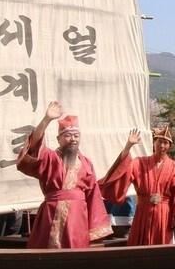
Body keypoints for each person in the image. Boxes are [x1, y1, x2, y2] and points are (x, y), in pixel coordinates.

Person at [15, 100, 112, 249]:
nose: (73, 139)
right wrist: (46, 120)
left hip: (77, 219)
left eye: (76, 136)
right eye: (68, 135)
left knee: (77, 258)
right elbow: (34, 147)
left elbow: (93, 197)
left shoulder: (86, 163)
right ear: (58, 139)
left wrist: (95, 236)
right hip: (50, 214)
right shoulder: (50, 158)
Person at [101, 126, 175, 246]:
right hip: (143, 213)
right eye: (159, 142)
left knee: (161, 249)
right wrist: (128, 146)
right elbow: (123, 171)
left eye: (165, 143)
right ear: (154, 143)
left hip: (164, 215)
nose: (162, 146)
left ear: (169, 146)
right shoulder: (140, 163)